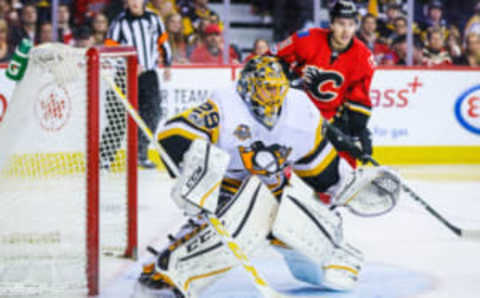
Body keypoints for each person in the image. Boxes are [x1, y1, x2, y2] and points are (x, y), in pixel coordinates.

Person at [136, 56, 399, 298]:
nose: (275, 96)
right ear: (249, 87)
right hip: (230, 192)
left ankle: (321, 250)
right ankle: (168, 269)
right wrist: (199, 177)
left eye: (278, 88)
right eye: (267, 88)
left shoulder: (300, 110)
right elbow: (173, 134)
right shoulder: (225, 105)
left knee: (334, 269)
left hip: (277, 194)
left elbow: (318, 165)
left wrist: (348, 184)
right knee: (238, 221)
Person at [274, 0, 375, 171]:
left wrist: (360, 130)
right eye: (341, 24)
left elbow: (359, 98)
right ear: (332, 24)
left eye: (351, 25)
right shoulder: (306, 38)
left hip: (331, 118)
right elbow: (275, 59)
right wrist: (287, 80)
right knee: (280, 159)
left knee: (345, 167)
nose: (346, 30)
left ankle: (337, 191)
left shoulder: (363, 56)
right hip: (296, 113)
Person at [106, 0, 172, 169]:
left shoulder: (154, 19)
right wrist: (129, 63)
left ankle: (140, 154)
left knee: (153, 114)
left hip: (149, 75)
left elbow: (163, 41)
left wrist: (167, 65)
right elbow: (110, 50)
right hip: (124, 76)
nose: (134, 2)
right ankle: (104, 158)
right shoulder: (119, 22)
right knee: (118, 119)